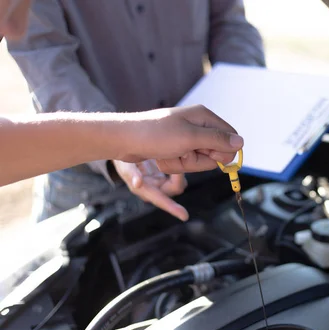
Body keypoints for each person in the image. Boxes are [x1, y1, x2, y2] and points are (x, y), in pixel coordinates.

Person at [6, 0, 264, 222]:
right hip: (88, 183)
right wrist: (118, 148)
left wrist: (240, 93)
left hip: (204, 162)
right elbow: (45, 58)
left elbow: (230, 22)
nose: (13, 31)